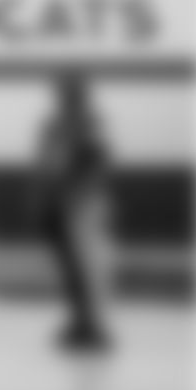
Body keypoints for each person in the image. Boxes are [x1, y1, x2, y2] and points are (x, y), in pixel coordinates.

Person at [37, 71, 115, 355]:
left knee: (88, 266)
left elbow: (98, 163)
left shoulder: (90, 123)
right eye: (61, 90)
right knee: (69, 267)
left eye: (69, 90)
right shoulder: (53, 124)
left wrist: (78, 193)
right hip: (58, 202)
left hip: (82, 203)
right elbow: (45, 163)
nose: (63, 95)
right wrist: (47, 198)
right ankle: (79, 321)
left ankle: (94, 327)